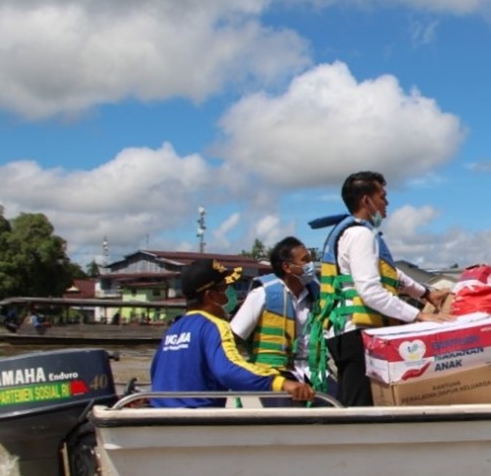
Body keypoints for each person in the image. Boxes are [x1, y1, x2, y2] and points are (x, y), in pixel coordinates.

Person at [312, 171, 452, 407]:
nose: (387, 203)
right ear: (366, 200)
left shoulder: (356, 233)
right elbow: (371, 292)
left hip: (346, 334)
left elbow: (391, 274)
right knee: (360, 409)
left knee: (362, 406)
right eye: (382, 197)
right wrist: (418, 315)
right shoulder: (360, 235)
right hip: (354, 334)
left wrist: (426, 293)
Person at [149, 259, 315, 408]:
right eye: (225, 289)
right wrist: (281, 383)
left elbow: (156, 373)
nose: (230, 297)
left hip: (161, 414)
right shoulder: (213, 326)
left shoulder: (174, 330)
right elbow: (228, 369)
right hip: (197, 420)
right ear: (210, 296)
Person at [231, 236, 318, 382]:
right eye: (305, 260)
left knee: (336, 403)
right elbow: (233, 337)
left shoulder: (317, 296)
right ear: (287, 267)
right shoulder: (262, 294)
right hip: (273, 373)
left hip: (313, 372)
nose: (311, 265)